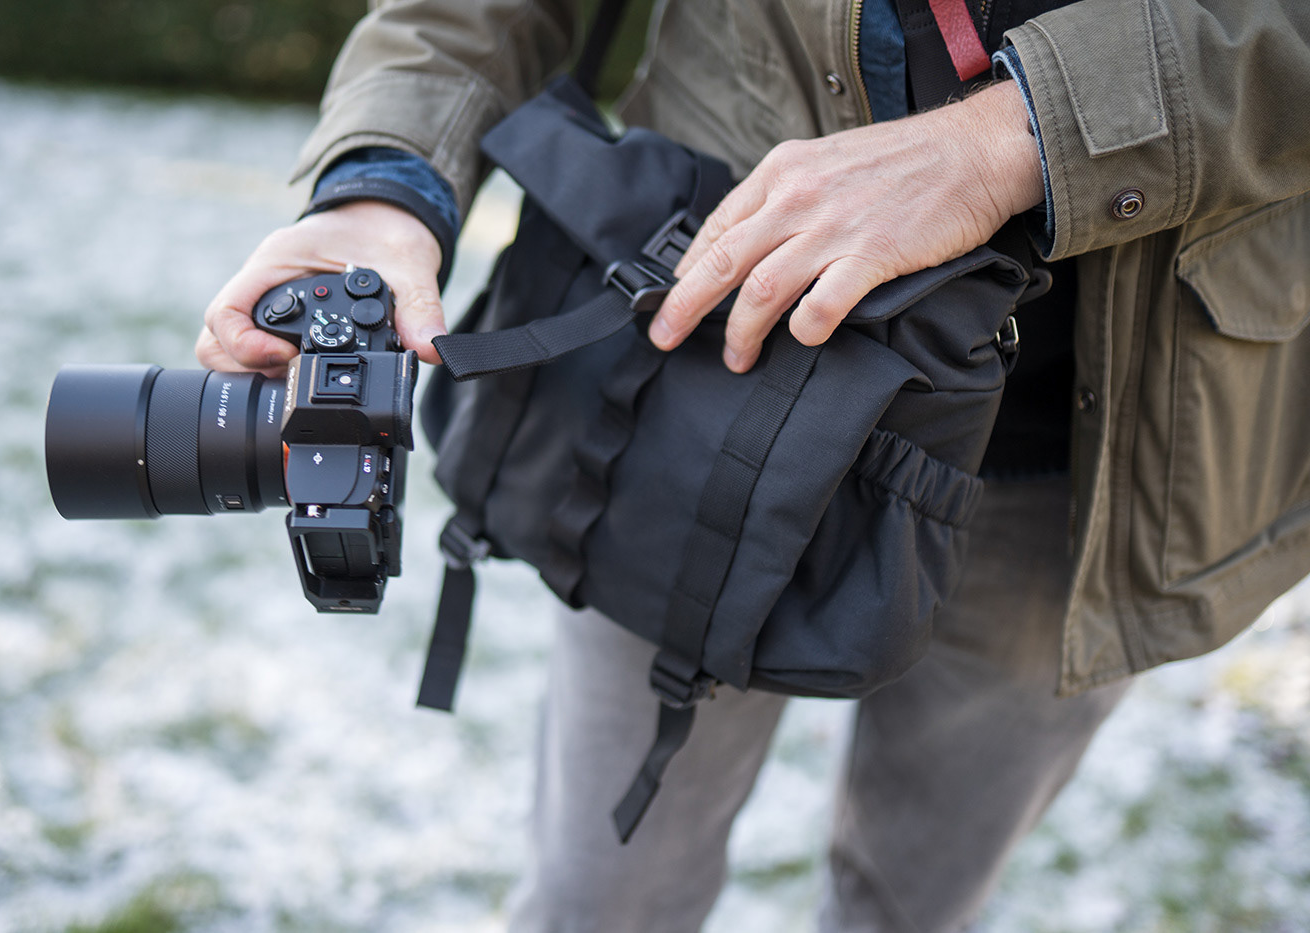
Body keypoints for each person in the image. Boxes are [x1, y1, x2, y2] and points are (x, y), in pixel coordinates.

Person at [196, 1, 1310, 929]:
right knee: (601, 902)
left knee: (912, 903)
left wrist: (1016, 138)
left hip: (1095, 444)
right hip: (695, 390)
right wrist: (382, 185)